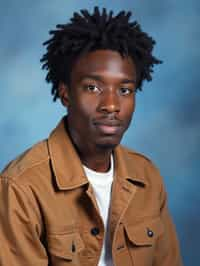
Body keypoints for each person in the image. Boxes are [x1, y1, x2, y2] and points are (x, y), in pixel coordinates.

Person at [0, 6, 183, 266]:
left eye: (125, 90)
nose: (111, 104)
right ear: (66, 95)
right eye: (93, 87)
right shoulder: (21, 187)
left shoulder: (147, 177)